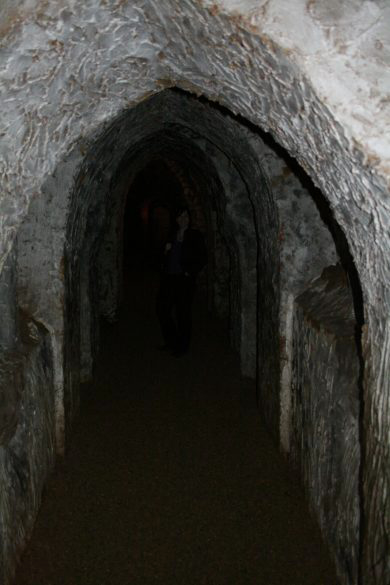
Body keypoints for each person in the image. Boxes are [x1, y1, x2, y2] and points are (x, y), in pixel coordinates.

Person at [156, 206, 207, 356]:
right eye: (180, 216)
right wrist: (165, 253)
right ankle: (172, 341)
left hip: (184, 280)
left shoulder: (194, 235)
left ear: (189, 219)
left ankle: (182, 347)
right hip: (169, 278)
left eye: (186, 216)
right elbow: (163, 257)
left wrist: (190, 272)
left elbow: (203, 257)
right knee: (162, 310)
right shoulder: (172, 235)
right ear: (176, 219)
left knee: (183, 313)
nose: (183, 219)